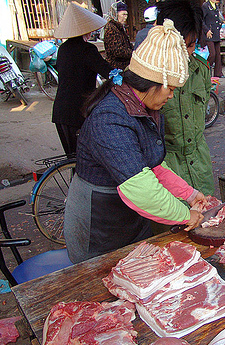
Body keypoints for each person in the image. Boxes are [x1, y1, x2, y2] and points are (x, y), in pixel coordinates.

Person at [64, 21, 207, 263]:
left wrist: (190, 194)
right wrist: (185, 215)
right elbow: (141, 189)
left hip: (130, 218)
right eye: (170, 89)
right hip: (99, 224)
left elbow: (152, 166)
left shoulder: (146, 107)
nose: (171, 96)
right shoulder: (109, 119)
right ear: (152, 84)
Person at [156, 0, 215, 196]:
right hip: (164, 168)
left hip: (199, 165)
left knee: (208, 220)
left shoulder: (201, 69)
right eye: (180, 45)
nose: (186, 53)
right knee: (174, 224)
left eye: (191, 45)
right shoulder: (147, 78)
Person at [51, 2, 112, 156]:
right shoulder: (87, 50)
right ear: (86, 30)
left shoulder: (63, 49)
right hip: (78, 112)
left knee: (72, 159)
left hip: (60, 112)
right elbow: (108, 72)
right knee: (85, 159)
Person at [103, 1, 133, 70]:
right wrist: (133, 53)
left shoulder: (119, 27)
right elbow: (117, 50)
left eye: (126, 15)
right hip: (116, 67)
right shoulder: (111, 28)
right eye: (123, 14)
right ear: (116, 14)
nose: (125, 18)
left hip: (124, 64)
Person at [202, 0, 224, 77]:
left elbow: (218, 19)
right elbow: (201, 20)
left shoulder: (216, 6)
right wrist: (207, 30)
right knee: (212, 54)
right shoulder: (205, 6)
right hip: (209, 34)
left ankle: (217, 73)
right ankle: (205, 70)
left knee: (218, 54)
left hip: (216, 33)